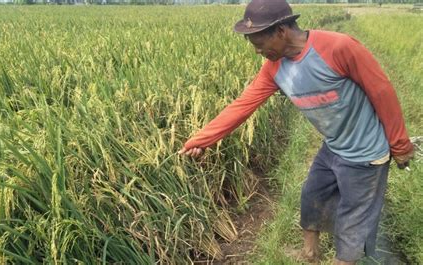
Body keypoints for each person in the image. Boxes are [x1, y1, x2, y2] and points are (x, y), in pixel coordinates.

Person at [177, 0, 415, 264]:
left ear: (280, 31)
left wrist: (400, 146)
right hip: (334, 146)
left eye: (258, 44)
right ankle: (309, 253)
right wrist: (200, 140)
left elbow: (382, 92)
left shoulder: (337, 47)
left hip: (365, 153)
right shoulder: (274, 68)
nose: (257, 52)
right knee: (312, 195)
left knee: (353, 219)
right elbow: (242, 106)